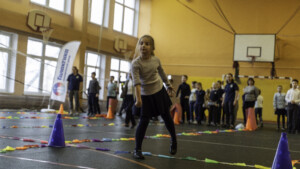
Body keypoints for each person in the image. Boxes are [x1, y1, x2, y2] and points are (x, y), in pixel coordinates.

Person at [131, 35, 177, 159]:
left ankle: (174, 140)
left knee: (166, 117)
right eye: (141, 43)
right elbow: (136, 82)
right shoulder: (135, 63)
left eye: (147, 44)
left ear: (152, 47)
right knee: (143, 121)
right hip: (145, 95)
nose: (143, 46)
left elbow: (161, 72)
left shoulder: (156, 60)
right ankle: (137, 150)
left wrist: (168, 85)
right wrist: (139, 99)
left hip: (158, 91)